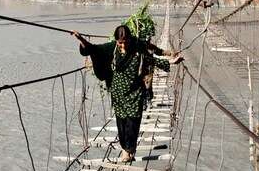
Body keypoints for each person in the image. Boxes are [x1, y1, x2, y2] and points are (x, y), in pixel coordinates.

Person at [71, 25, 182, 162]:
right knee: (122, 124)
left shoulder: (137, 50)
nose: (122, 45)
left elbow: (152, 60)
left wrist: (172, 61)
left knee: (133, 123)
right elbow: (94, 49)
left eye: (125, 42)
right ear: (116, 41)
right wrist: (81, 39)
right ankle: (126, 149)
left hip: (135, 92)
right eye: (120, 42)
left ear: (130, 39)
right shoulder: (112, 48)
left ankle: (128, 150)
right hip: (118, 93)